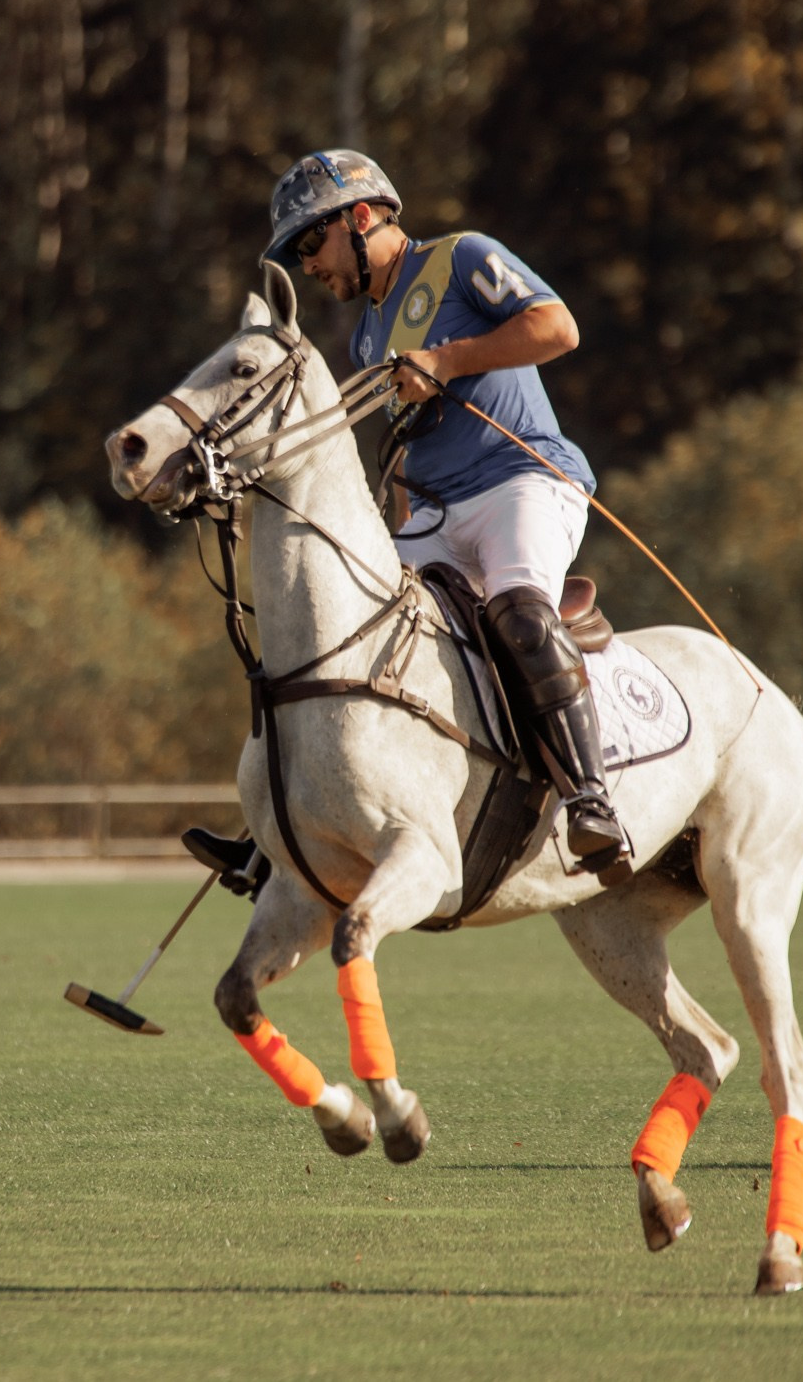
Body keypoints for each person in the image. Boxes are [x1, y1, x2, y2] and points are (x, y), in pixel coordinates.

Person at [184, 149, 631, 894]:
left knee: (519, 611)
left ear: (361, 218)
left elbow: (558, 327)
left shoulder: (463, 259)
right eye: (298, 252)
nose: (308, 265)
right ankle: (274, 839)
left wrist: (448, 360)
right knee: (335, 627)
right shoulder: (366, 335)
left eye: (310, 243)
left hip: (523, 481)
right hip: (433, 509)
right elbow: (401, 447)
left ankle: (592, 799)